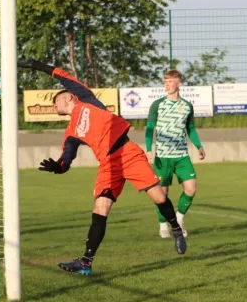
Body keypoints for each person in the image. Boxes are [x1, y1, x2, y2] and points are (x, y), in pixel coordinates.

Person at [18, 58, 186, 276]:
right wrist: (56, 167)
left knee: (159, 198)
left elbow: (62, 75)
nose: (53, 105)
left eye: (55, 101)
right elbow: (66, 160)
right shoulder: (70, 133)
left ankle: (176, 229)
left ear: (68, 97)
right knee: (100, 210)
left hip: (127, 153)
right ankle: (86, 262)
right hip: (108, 164)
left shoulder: (86, 99)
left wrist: (35, 65)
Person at [145, 70, 205, 238]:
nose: (167, 84)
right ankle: (163, 226)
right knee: (162, 195)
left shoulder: (187, 106)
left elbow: (190, 129)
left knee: (191, 189)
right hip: (162, 157)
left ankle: (178, 220)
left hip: (182, 157)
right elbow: (150, 129)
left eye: (170, 81)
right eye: (165, 81)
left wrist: (199, 146)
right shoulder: (157, 105)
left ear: (179, 83)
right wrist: (149, 149)